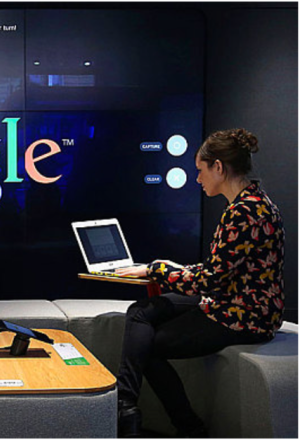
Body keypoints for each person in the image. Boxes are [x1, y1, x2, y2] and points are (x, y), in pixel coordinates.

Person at [113, 128, 285, 437]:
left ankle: (187, 428)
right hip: (235, 301)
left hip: (243, 315)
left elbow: (210, 281)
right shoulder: (256, 203)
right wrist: (164, 270)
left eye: (200, 170)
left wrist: (158, 269)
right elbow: (222, 270)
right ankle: (125, 407)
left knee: (148, 346)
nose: (197, 179)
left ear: (218, 167)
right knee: (140, 311)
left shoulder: (243, 213)